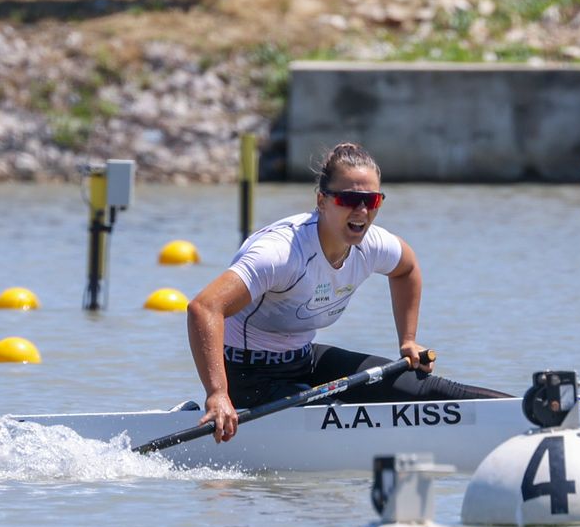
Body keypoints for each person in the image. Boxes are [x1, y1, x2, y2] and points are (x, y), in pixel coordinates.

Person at [188, 142, 508, 442]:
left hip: (304, 359)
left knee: (428, 390)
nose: (361, 212)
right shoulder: (281, 254)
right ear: (322, 201)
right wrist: (218, 393)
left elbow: (407, 269)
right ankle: (200, 411)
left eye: (371, 201)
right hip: (244, 373)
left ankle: (530, 415)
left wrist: (407, 340)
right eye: (349, 200)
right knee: (325, 420)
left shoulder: (372, 244)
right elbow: (204, 307)